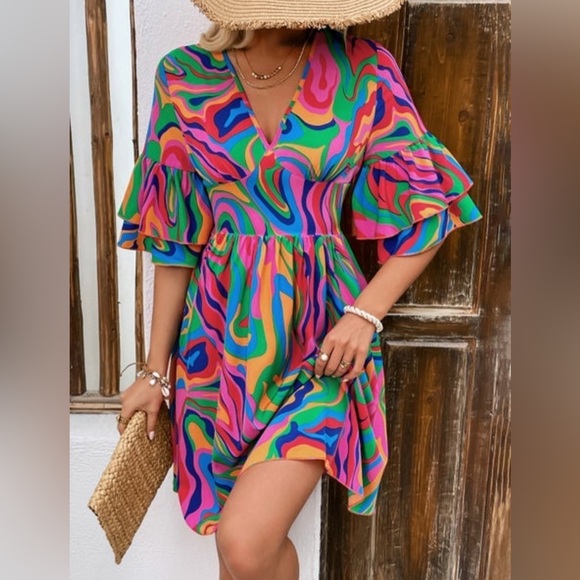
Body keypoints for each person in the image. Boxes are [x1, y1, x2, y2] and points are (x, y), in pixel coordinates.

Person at [115, 0, 483, 578]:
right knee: (237, 555)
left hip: (323, 341)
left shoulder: (363, 71)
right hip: (220, 344)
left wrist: (365, 315)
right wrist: (155, 372)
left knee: (245, 543)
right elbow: (176, 239)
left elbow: (429, 212)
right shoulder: (183, 76)